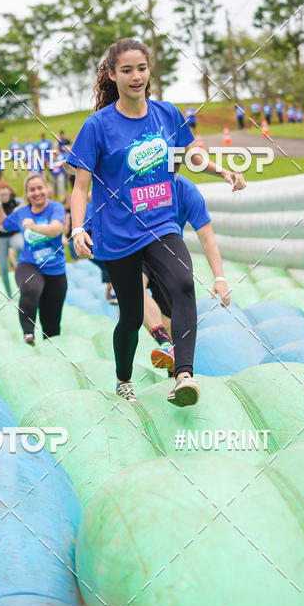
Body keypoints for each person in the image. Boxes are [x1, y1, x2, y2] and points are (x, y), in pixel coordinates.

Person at [68, 37, 199, 407]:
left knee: (184, 284)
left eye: (141, 68)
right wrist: (79, 228)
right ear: (112, 75)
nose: (136, 76)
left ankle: (184, 375)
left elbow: (192, 154)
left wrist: (223, 170)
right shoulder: (98, 126)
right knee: (131, 315)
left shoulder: (167, 114)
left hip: (160, 223)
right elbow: (80, 187)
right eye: (127, 70)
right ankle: (124, 378)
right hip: (117, 235)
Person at [144, 172, 230, 374]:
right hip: (137, 249)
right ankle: (163, 341)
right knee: (133, 287)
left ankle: (176, 371)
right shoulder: (140, 184)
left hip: (167, 254)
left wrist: (220, 278)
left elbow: (207, 238)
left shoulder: (187, 191)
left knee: (171, 318)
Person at [0, 174, 67, 345]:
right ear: (26, 193)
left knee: (52, 328)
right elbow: (1, 225)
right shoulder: (22, 212)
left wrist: (33, 226)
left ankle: (50, 352)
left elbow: (56, 229)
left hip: (55, 269)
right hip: (29, 265)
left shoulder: (56, 208)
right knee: (31, 287)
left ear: (46, 189)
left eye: (40, 188)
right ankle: (28, 334)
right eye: (32, 189)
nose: (37, 192)